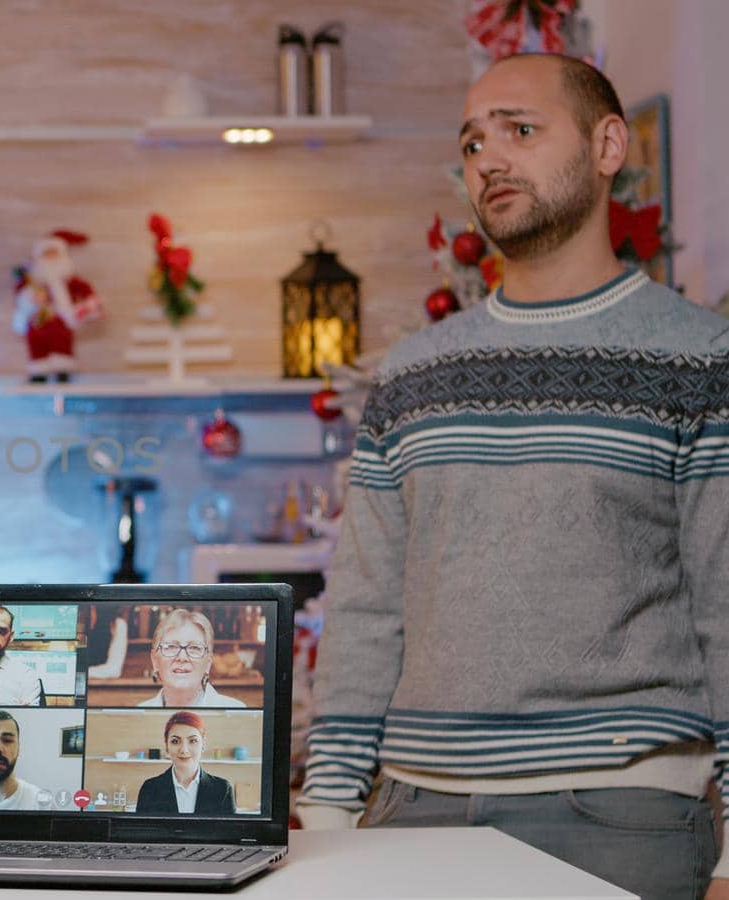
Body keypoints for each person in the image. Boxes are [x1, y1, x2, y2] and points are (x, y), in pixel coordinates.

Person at [298, 54, 728, 900]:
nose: (487, 159)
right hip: (411, 814)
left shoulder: (699, 360)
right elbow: (365, 608)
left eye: (519, 131)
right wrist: (327, 814)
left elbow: (727, 603)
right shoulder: (413, 374)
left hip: (620, 821)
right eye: (470, 144)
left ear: (609, 147)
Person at [11, 229, 103, 383]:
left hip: (61, 316)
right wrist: (30, 297)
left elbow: (85, 290)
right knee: (36, 339)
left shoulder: (69, 280)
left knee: (61, 339)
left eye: (54, 253)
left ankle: (63, 370)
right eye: (47, 253)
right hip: (38, 316)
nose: (51, 257)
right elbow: (20, 293)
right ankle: (38, 371)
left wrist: (90, 303)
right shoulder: (33, 280)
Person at [136, 609, 245, 708]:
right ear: (155, 661)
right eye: (171, 647)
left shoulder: (238, 712)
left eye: (194, 648)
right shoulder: (137, 716)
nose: (182, 657)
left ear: (208, 663)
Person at [134, 712, 236, 815]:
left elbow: (229, 831)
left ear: (203, 744)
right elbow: (142, 830)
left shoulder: (222, 789)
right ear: (166, 746)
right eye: (175, 741)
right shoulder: (150, 789)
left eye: (192, 741)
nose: (184, 750)